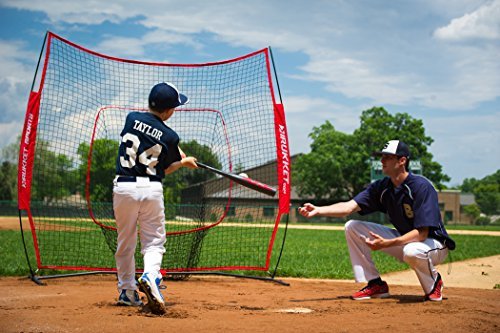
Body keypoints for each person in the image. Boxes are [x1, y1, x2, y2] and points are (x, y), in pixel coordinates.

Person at [298, 140, 455, 301]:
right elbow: (348, 207)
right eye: (382, 156)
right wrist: (318, 210)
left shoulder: (421, 187)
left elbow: (422, 234)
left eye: (387, 157)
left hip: (434, 244)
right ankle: (375, 284)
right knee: (352, 227)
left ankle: (434, 283)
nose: (382, 161)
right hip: (405, 239)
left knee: (412, 251)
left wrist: (388, 243)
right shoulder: (382, 187)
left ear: (402, 161)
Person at [113, 82, 198, 313]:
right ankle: (151, 275)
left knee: (126, 241)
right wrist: (183, 162)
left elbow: (147, 136)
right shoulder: (171, 136)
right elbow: (166, 167)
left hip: (124, 187)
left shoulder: (131, 118)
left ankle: (128, 292)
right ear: (169, 111)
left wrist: (174, 151)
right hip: (150, 189)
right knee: (153, 241)